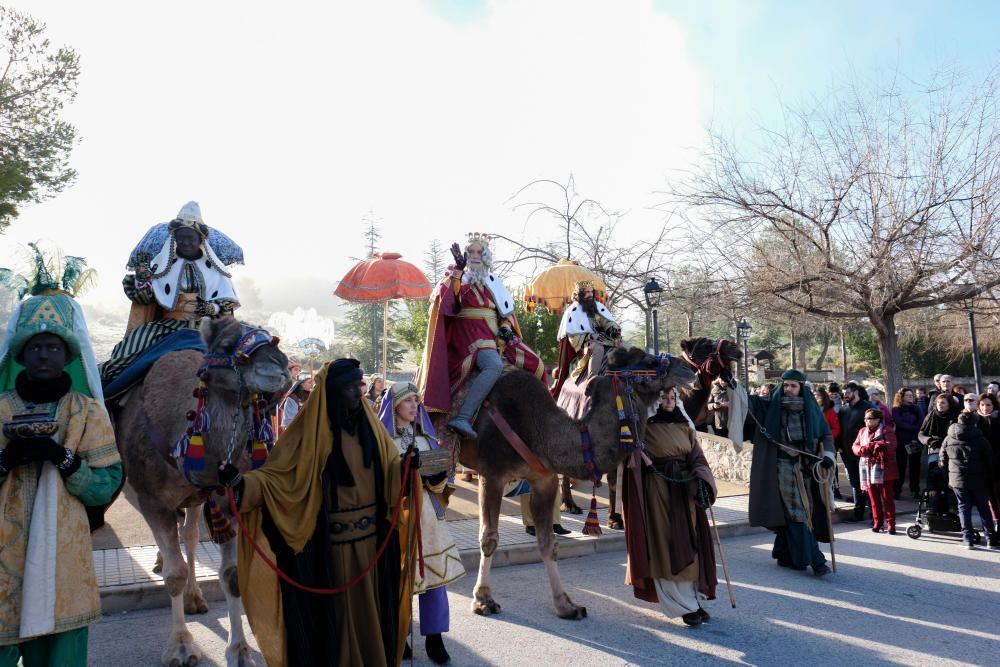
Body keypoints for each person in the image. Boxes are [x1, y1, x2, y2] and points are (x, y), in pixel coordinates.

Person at [222, 358, 417, 666]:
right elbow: (277, 479)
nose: (358, 393)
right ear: (334, 392)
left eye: (360, 386)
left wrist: (408, 471)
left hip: (371, 551)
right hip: (330, 554)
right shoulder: (306, 436)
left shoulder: (374, 431)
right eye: (351, 388)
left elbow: (392, 476)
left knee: (373, 621)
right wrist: (241, 485)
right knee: (331, 628)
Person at [0, 291, 123, 665]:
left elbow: (106, 483)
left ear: (68, 357)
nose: (43, 355)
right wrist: (6, 461)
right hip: (4, 556)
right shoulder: (1, 408)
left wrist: (65, 460)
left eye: (53, 347)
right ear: (20, 354)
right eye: (35, 346)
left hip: (63, 559)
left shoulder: (87, 413)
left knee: (60, 650)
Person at [416, 234, 545, 439]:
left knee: (536, 363)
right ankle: (463, 418)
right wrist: (458, 271)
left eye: (480, 252)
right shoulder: (455, 276)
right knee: (494, 365)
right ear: (465, 256)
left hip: (495, 334)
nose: (475, 256)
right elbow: (447, 302)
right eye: (471, 252)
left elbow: (506, 314)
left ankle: (539, 423)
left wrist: (505, 328)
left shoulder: (495, 282)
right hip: (468, 333)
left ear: (486, 256)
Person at [101, 202, 240, 389]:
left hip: (205, 327)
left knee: (242, 361)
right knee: (127, 353)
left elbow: (225, 303)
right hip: (167, 326)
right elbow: (144, 299)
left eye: (190, 238)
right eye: (181, 238)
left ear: (200, 239)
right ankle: (107, 394)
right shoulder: (162, 265)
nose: (186, 242)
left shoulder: (216, 271)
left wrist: (210, 308)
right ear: (174, 238)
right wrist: (143, 277)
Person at [378, 383, 465, 664]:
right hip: (398, 520)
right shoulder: (384, 443)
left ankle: (435, 639)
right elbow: (380, 486)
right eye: (408, 401)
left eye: (417, 401)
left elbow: (440, 487)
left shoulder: (426, 440)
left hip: (428, 521)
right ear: (395, 406)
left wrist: (437, 476)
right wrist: (404, 472)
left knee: (434, 581)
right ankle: (399, 636)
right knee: (398, 580)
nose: (415, 406)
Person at [622, 388, 718, 625]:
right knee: (667, 544)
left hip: (685, 489)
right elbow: (629, 459)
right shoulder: (644, 428)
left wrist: (702, 480)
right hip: (658, 490)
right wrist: (637, 455)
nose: (668, 401)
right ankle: (683, 606)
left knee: (692, 543)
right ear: (656, 401)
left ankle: (694, 600)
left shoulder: (685, 426)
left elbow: (697, 457)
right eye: (663, 397)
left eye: (673, 398)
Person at [743, 370, 835, 576]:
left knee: (804, 511)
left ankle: (785, 554)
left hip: (809, 468)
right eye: (785, 385)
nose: (788, 390)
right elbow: (747, 403)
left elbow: (825, 434)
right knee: (797, 512)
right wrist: (730, 382)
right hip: (782, 468)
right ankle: (816, 560)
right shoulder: (770, 406)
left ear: (801, 387)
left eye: (793, 386)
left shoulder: (812, 409)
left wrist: (828, 455)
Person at [550, 280, 621, 398]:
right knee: (597, 349)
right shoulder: (572, 311)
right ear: (580, 294)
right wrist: (590, 337)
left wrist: (614, 330)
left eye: (591, 292)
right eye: (587, 292)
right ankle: (592, 380)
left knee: (621, 348)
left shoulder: (596, 307)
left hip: (604, 339)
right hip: (585, 345)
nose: (590, 295)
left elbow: (606, 321)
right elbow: (573, 337)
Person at [940, 412, 997, 549]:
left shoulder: (949, 438)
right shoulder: (981, 439)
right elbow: (990, 461)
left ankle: (968, 539)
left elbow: (942, 460)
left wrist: (948, 478)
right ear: (974, 423)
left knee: (963, 508)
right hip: (980, 479)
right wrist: (991, 477)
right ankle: (991, 539)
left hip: (957, 479)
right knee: (984, 508)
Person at [852, 408, 899, 534]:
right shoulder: (862, 431)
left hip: (884, 469)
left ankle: (891, 524)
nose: (867, 421)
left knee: (887, 498)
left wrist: (876, 445)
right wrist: (862, 449)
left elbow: (892, 445)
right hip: (867, 469)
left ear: (878, 419)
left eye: (870, 419)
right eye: (866, 419)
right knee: (873, 499)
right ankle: (877, 522)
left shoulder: (886, 429)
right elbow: (855, 446)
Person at [839, 382, 874, 522]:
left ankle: (874, 513)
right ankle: (858, 512)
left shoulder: (868, 408)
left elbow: (874, 430)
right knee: (855, 484)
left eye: (847, 393)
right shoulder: (843, 410)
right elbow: (840, 430)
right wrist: (839, 446)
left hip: (864, 453)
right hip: (847, 453)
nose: (845, 396)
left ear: (855, 392)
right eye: (844, 393)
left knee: (868, 484)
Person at [918, 393, 959, 515]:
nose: (940, 405)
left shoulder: (956, 416)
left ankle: (951, 507)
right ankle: (933, 507)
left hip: (952, 451)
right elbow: (921, 434)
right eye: (938, 403)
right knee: (933, 476)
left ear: (949, 404)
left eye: (943, 403)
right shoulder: (931, 415)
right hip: (935, 450)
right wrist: (929, 441)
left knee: (949, 478)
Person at [891, 387, 925, 500]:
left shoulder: (917, 408)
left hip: (915, 441)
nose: (910, 397)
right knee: (900, 466)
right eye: (907, 395)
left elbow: (921, 423)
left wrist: (915, 435)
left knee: (915, 467)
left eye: (911, 395)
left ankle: (915, 490)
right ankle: (897, 490)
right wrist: (913, 428)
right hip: (902, 442)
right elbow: (898, 423)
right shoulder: (897, 409)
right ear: (901, 397)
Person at [817, 388, 843, 500]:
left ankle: (834, 490)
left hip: (827, 444)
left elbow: (836, 428)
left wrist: (826, 436)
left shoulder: (829, 411)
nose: (816, 397)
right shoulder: (812, 409)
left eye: (818, 395)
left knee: (831, 468)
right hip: (814, 445)